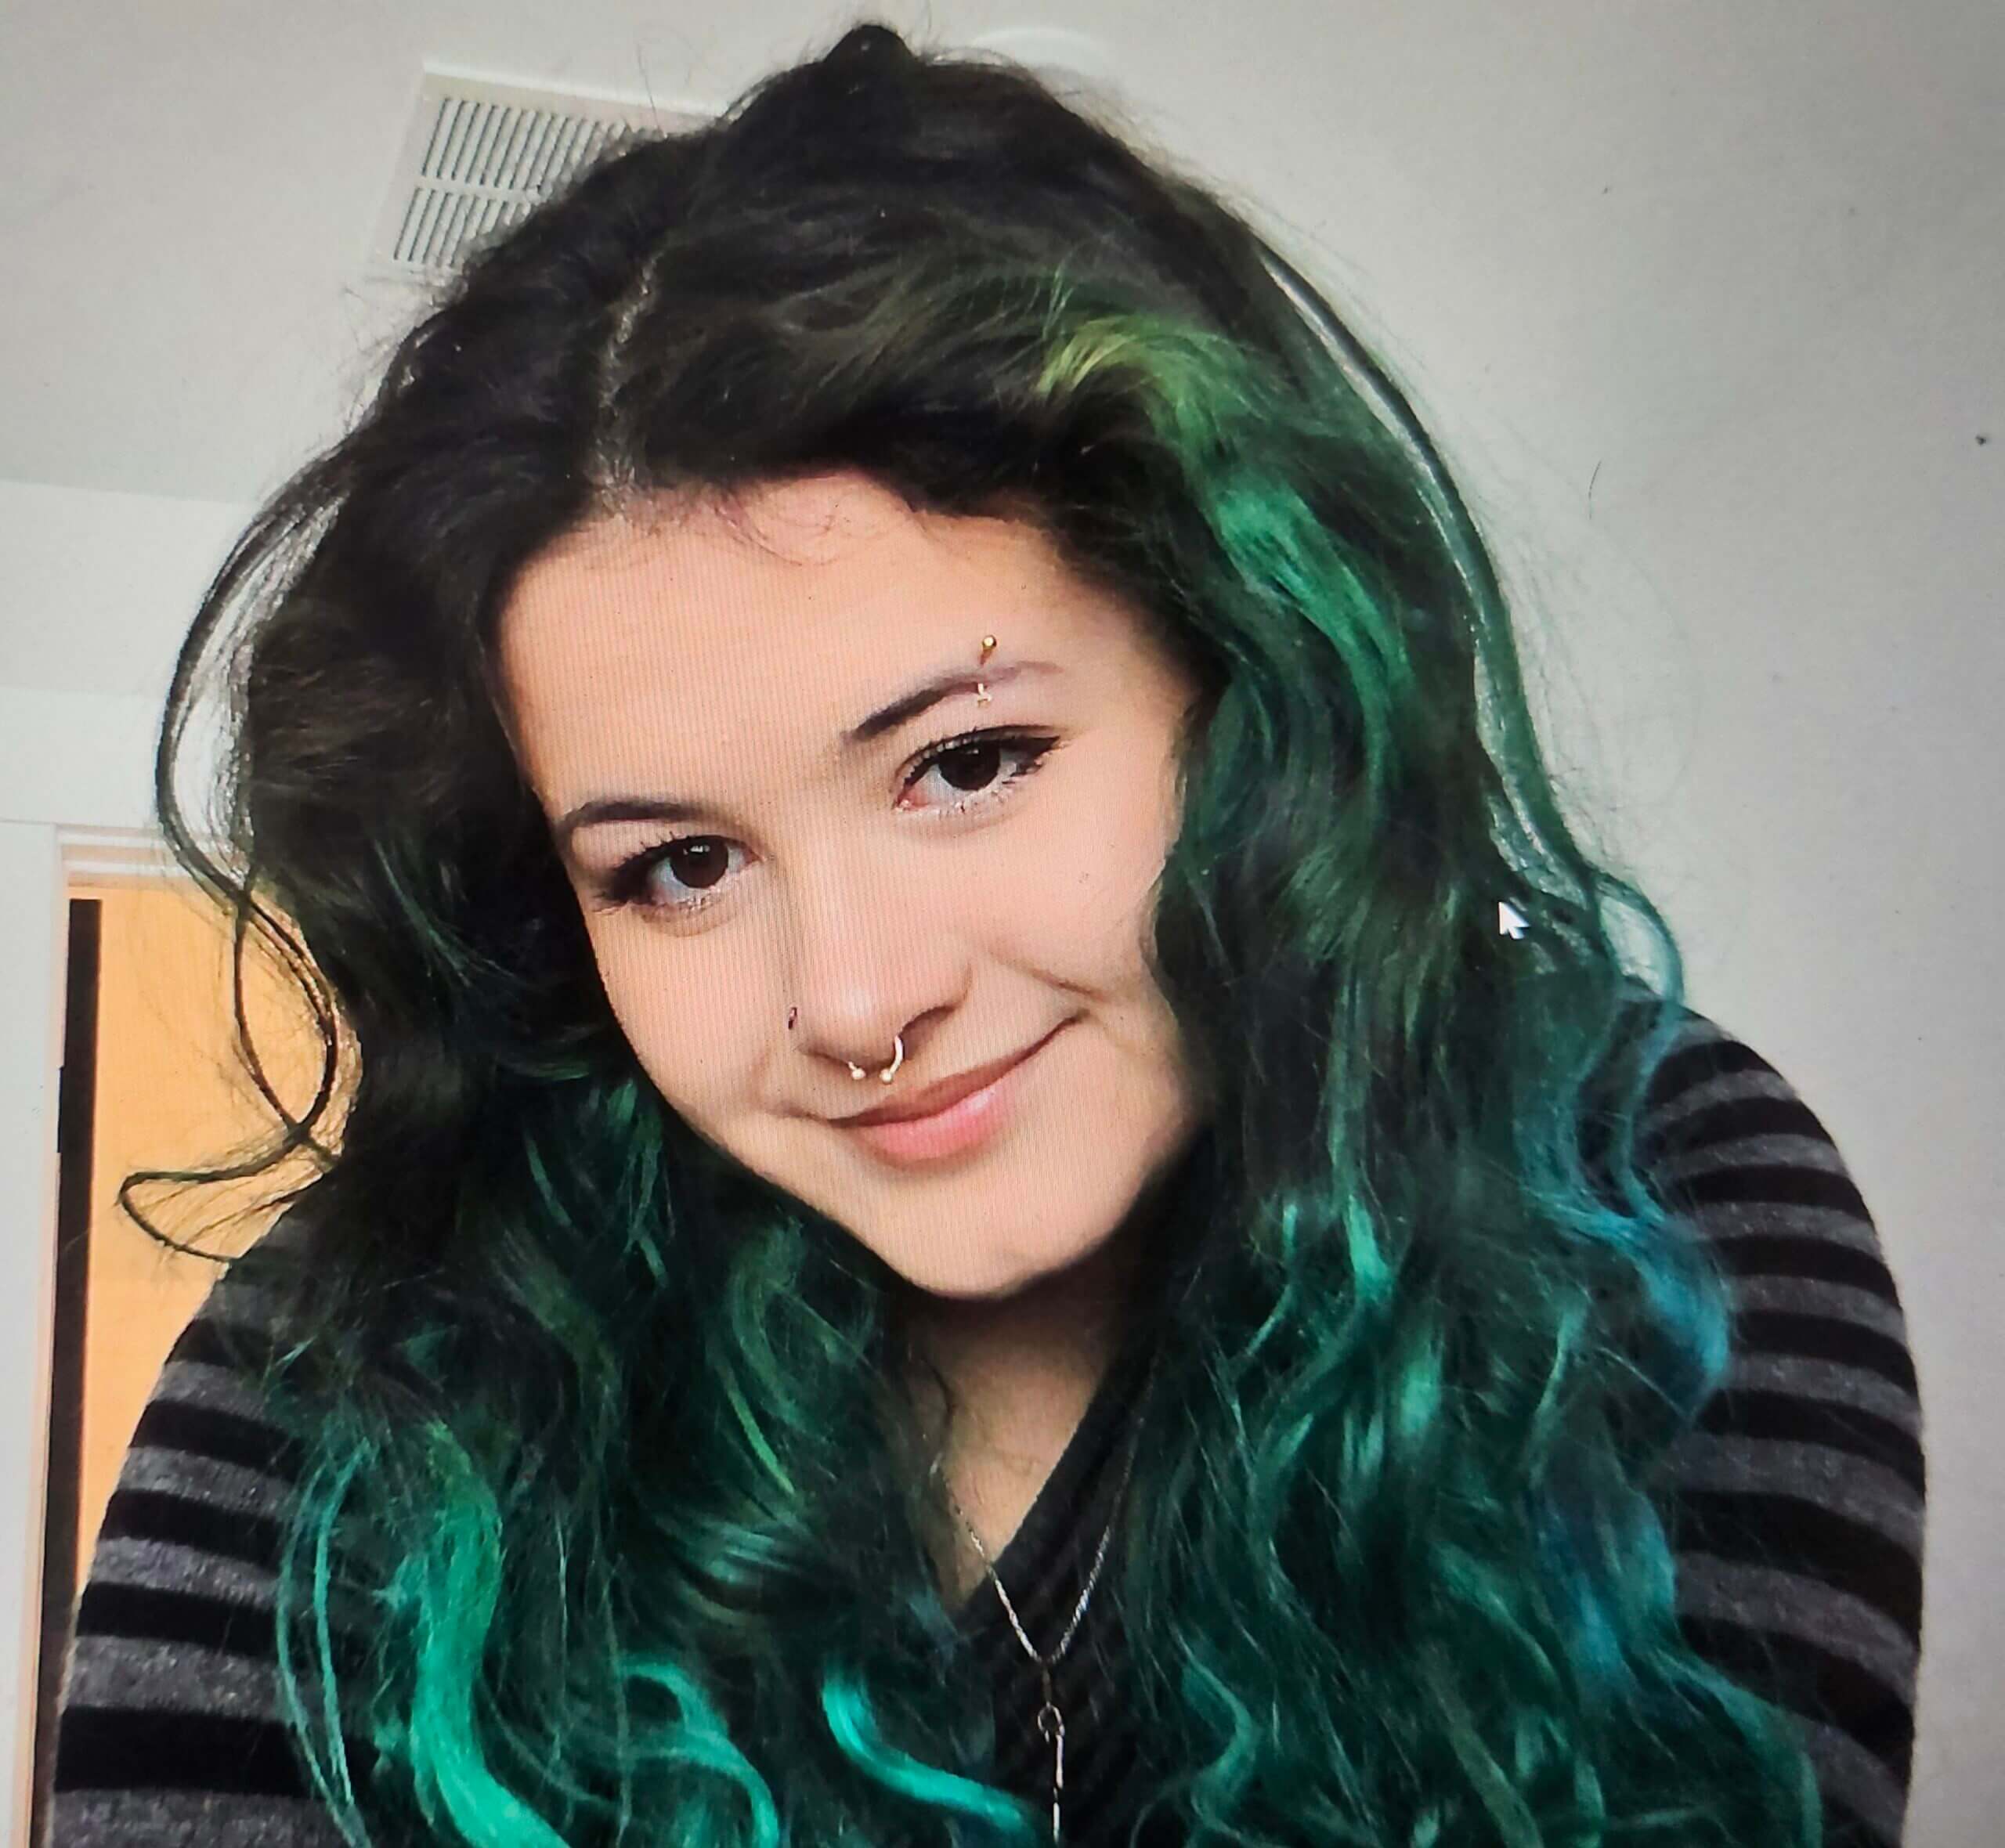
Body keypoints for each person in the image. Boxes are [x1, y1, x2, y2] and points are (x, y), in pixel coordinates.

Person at [48, 20, 1925, 1848]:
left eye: (966, 762)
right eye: (678, 867)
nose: (857, 1001)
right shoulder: (365, 1343)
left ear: (1253, 687)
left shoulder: (1637, 1184)